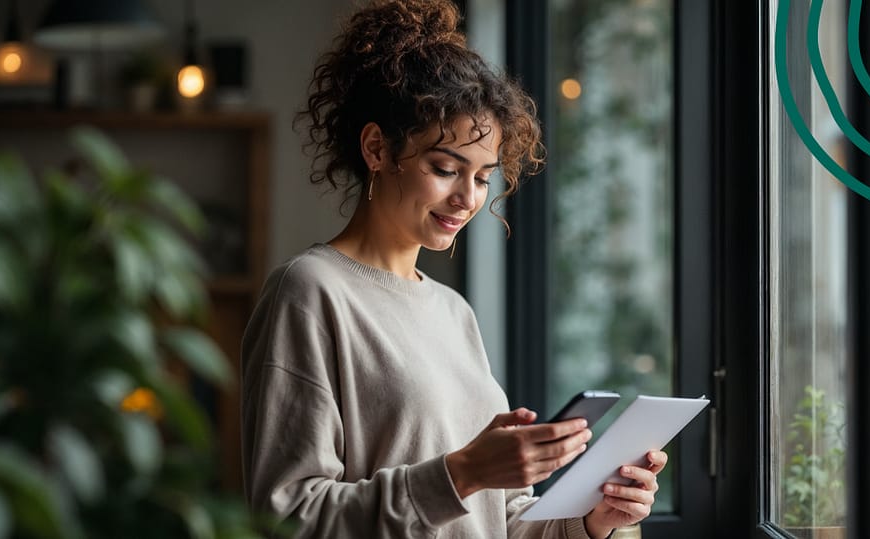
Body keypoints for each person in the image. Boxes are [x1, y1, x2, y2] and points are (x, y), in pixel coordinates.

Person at [240, 1, 667, 537]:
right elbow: (287, 519)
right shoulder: (308, 292)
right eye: (444, 169)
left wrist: (592, 521)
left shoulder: (452, 312)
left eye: (484, 177)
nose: (467, 198)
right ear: (376, 148)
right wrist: (462, 473)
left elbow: (499, 521)